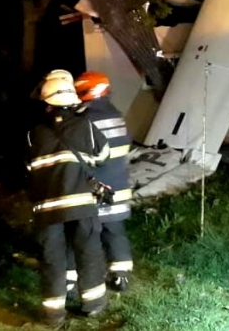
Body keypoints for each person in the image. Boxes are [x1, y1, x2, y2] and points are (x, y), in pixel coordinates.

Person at [26, 72, 110, 325]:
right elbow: (102, 156)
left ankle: (53, 314)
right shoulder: (85, 127)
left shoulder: (33, 134)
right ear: (72, 100)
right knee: (88, 250)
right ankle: (93, 303)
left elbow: (28, 169)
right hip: (81, 203)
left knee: (52, 257)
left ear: (47, 103)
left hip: (46, 207)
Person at [69, 71, 134, 293]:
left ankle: (82, 278)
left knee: (88, 235)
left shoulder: (84, 120)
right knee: (115, 231)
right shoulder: (116, 115)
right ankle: (121, 275)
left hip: (95, 188)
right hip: (119, 186)